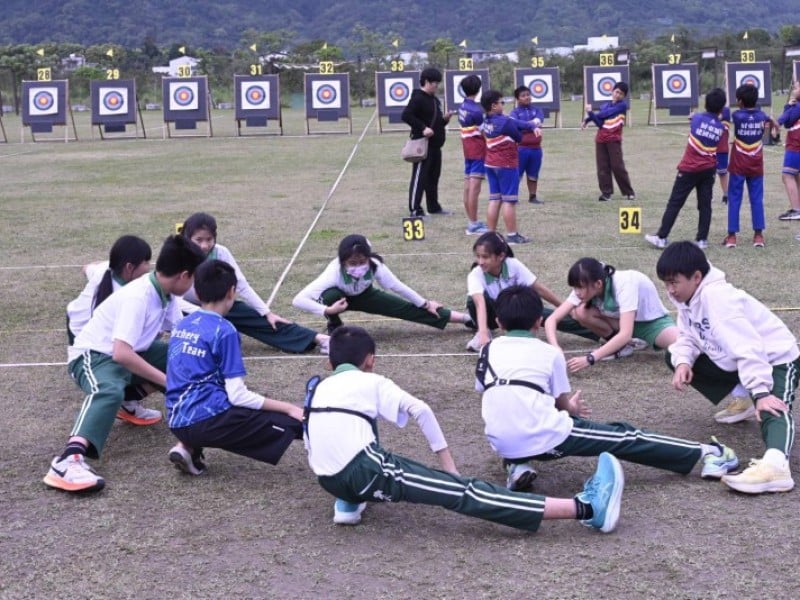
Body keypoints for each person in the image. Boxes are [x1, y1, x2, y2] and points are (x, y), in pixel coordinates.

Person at [303, 325, 624, 533]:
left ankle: (347, 504)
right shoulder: (371, 380)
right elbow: (421, 410)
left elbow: (310, 438)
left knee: (354, 419)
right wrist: (449, 469)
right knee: (463, 492)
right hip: (365, 470)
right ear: (370, 360)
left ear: (330, 364)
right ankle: (587, 507)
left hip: (328, 479)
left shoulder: (316, 387)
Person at [477, 285, 737, 492]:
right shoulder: (549, 353)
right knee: (624, 436)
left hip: (501, 442)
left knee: (517, 419)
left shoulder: (486, 350)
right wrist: (572, 408)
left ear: (499, 322)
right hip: (547, 435)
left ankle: (517, 465)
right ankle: (709, 453)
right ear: (538, 321)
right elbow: (561, 405)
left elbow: (491, 393)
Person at [43, 235, 206, 493]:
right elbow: (120, 353)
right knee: (108, 389)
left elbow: (179, 333)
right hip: (94, 355)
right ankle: (67, 461)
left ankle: (135, 407)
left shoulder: (167, 294)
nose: (194, 283)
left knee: (185, 356)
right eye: (195, 277)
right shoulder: (138, 296)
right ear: (184, 275)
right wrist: (168, 381)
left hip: (131, 352)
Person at [656, 241, 800, 494]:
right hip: (737, 358)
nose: (670, 290)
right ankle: (743, 396)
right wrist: (683, 362)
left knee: (772, 407)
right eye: (666, 283)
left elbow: (748, 346)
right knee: (673, 355)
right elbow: (689, 335)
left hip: (774, 357)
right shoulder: (687, 297)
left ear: (697, 277)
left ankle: (776, 467)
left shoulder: (718, 299)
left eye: (674, 282)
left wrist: (762, 393)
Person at [165, 260, 303, 476]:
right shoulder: (225, 330)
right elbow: (238, 396)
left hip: (176, 422)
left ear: (197, 293)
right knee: (293, 421)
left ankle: (188, 448)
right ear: (232, 292)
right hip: (209, 423)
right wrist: (287, 407)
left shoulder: (182, 325)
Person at [180, 212, 329, 354]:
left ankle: (319, 339)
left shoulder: (221, 252)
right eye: (199, 240)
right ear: (188, 238)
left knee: (261, 318)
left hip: (215, 305)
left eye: (209, 239)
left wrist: (266, 312)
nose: (205, 245)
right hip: (184, 311)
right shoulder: (178, 256)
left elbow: (241, 284)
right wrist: (205, 315)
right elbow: (173, 302)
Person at [293, 234, 472, 334]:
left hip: (366, 295)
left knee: (408, 308)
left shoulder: (376, 266)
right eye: (352, 263)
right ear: (343, 262)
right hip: (339, 300)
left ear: (369, 258)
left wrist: (425, 303)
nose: (358, 267)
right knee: (330, 295)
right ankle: (335, 324)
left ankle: (468, 320)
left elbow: (397, 286)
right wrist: (328, 311)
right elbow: (298, 299)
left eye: (361, 262)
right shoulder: (333, 272)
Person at [66, 235, 158, 423]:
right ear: (129, 268)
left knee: (142, 353)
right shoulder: (130, 296)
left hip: (92, 333)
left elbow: (87, 268)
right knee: (116, 370)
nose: (150, 267)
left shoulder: (109, 270)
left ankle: (128, 400)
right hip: (83, 337)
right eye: (146, 262)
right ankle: (88, 428)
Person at [465, 231, 597, 352]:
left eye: (485, 257)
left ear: (501, 256)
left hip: (513, 309)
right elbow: (479, 303)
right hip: (491, 315)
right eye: (478, 256)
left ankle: (600, 334)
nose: (480, 262)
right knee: (471, 300)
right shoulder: (476, 274)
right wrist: (482, 332)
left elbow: (539, 289)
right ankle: (483, 332)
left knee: (553, 316)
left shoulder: (513, 265)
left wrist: (566, 309)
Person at [544, 257, 678, 373]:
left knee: (681, 342)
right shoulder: (589, 283)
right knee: (581, 312)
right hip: (622, 322)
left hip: (651, 324)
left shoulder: (624, 283)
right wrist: (556, 348)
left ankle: (628, 342)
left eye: (580, 288)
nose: (577, 292)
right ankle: (621, 347)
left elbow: (625, 333)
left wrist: (590, 358)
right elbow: (552, 319)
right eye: (575, 288)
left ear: (598, 284)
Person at [644, 88, 726, 250]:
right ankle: (702, 240)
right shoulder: (721, 127)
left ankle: (662, 237)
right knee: (705, 205)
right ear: (721, 109)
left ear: (705, 104)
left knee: (675, 203)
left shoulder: (697, 118)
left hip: (689, 169)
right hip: (708, 170)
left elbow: (695, 118)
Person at [723, 83, 779, 248]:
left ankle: (732, 237)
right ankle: (758, 236)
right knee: (756, 199)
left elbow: (725, 112)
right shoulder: (762, 116)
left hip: (739, 164)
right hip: (756, 164)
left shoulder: (737, 115)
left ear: (739, 101)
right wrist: (775, 129)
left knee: (734, 199)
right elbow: (774, 125)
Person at [480, 89, 535, 245]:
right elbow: (518, 136)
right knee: (509, 201)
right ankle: (512, 235)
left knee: (494, 199)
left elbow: (514, 123)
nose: (503, 104)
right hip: (506, 163)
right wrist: (530, 126)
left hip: (490, 163)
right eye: (501, 102)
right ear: (493, 105)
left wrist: (529, 125)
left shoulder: (486, 120)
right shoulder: (505, 121)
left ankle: (490, 235)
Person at [401, 67, 455, 218]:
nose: (436, 86)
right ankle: (415, 209)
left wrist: (444, 120)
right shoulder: (418, 98)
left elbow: (435, 123)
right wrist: (423, 128)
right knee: (419, 178)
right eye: (434, 83)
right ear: (426, 82)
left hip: (435, 146)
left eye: (438, 83)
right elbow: (406, 115)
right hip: (422, 146)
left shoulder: (434, 100)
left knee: (433, 178)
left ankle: (433, 206)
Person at [582, 81, 636, 202]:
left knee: (617, 166)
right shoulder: (605, 105)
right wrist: (590, 118)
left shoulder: (622, 106)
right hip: (601, 140)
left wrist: (589, 115)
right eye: (616, 92)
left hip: (614, 140)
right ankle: (606, 193)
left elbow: (604, 114)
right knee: (602, 167)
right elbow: (599, 123)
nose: (617, 95)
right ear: (612, 91)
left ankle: (629, 192)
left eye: (621, 94)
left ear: (624, 96)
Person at [457, 74, 489, 235]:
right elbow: (485, 132)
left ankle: (472, 221)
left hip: (468, 150)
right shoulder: (477, 110)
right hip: (477, 150)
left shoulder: (462, 106)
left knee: (468, 186)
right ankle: (473, 224)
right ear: (478, 89)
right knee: (474, 189)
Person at [510, 85, 545, 204]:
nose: (527, 97)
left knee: (533, 173)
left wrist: (524, 125)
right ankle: (513, 197)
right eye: (523, 96)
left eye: (528, 95)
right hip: (521, 149)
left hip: (536, 149)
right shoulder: (514, 112)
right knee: (517, 174)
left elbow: (539, 120)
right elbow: (515, 124)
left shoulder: (537, 110)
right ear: (517, 99)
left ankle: (533, 196)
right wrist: (530, 125)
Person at [776, 81, 800, 225]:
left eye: (796, 88)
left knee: (787, 175)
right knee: (795, 175)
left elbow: (785, 120)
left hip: (795, 146)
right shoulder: (796, 106)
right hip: (795, 145)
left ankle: (796, 209)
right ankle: (797, 208)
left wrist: (775, 123)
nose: (793, 89)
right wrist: (789, 106)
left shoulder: (797, 107)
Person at [716, 105, 731, 205]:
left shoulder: (725, 124)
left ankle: (726, 194)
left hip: (721, 151)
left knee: (722, 173)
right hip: (711, 150)